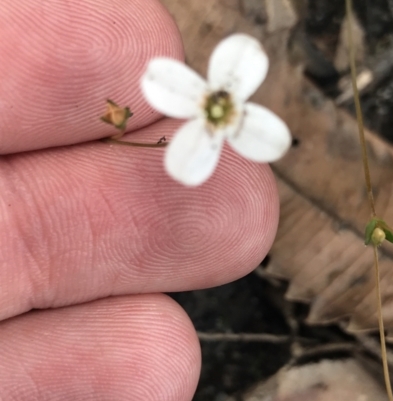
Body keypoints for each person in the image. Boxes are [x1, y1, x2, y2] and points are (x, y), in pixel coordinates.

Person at [0, 0, 280, 399]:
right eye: (218, 106)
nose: (219, 107)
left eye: (222, 107)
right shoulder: (177, 100)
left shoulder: (238, 99)